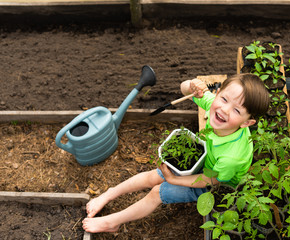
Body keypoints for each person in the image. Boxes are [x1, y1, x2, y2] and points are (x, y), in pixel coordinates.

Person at [82, 73, 270, 233]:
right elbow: (183, 89)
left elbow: (210, 180)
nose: (224, 109)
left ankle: (112, 222)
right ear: (218, 93)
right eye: (224, 99)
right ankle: (110, 193)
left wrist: (174, 180)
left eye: (237, 110)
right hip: (206, 161)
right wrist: (191, 85)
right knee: (152, 176)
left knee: (157, 191)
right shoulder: (217, 105)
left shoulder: (232, 157)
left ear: (247, 123)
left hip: (216, 184)